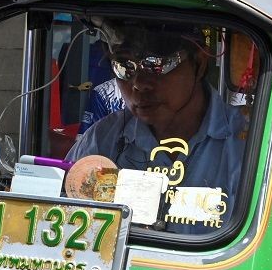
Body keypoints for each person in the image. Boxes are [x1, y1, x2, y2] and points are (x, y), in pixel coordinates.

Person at [67, 20, 249, 233]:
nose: (139, 83)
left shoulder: (247, 144)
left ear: (199, 64)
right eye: (125, 67)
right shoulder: (102, 140)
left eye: (157, 64)